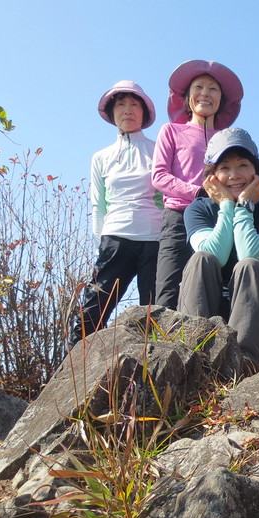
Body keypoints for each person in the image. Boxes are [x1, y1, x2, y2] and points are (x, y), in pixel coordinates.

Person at [179, 128, 259, 372]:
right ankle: (192, 356)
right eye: (224, 168)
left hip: (258, 321)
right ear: (212, 176)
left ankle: (242, 365)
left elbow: (251, 254)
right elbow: (215, 254)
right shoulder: (198, 210)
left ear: (255, 172)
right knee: (201, 258)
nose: (234, 175)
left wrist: (244, 207)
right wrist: (227, 205)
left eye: (243, 166)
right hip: (207, 310)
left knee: (249, 265)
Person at [70, 80, 162, 345]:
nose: (128, 110)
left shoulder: (159, 149)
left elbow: (168, 196)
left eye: (134, 104)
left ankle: (154, 375)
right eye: (121, 104)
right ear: (112, 113)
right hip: (115, 238)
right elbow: (98, 203)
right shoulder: (101, 156)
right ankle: (73, 370)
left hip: (154, 240)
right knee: (92, 311)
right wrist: (101, 242)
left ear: (145, 111)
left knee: (155, 312)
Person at [153, 60, 243, 311]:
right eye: (199, 87)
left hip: (217, 218)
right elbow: (159, 176)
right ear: (188, 96)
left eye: (213, 89)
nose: (205, 93)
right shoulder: (171, 131)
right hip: (178, 217)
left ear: (221, 99)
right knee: (168, 287)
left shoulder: (228, 139)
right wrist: (197, 192)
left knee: (214, 285)